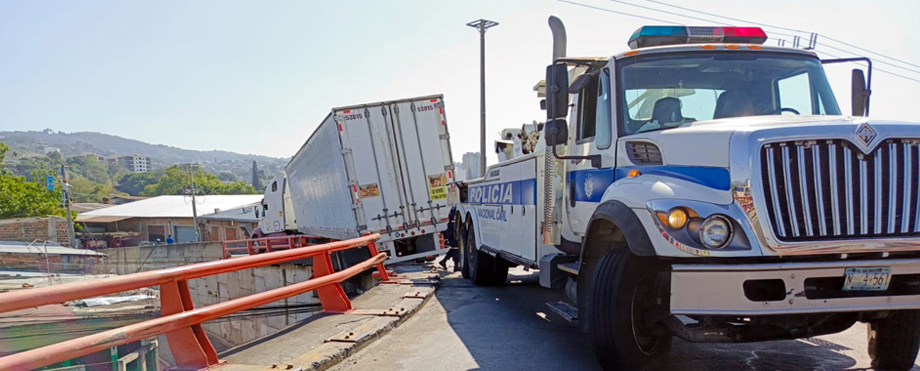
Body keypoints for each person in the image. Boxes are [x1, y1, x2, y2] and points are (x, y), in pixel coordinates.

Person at [438, 206, 460, 271]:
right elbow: (454, 220)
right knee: (456, 248)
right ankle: (455, 265)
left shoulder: (455, 207)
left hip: (451, 229)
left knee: (455, 248)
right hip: (453, 230)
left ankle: (444, 261)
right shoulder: (457, 208)